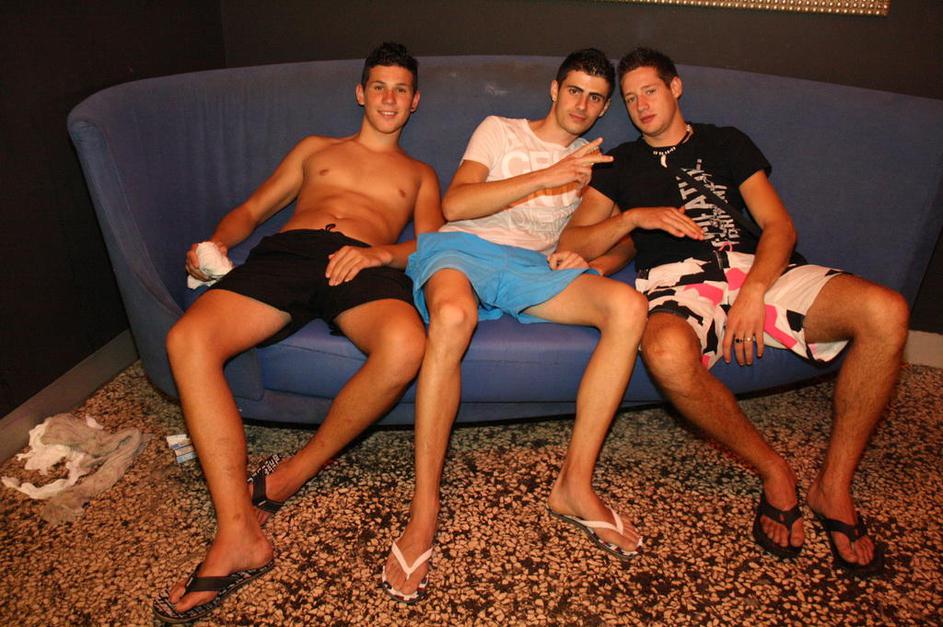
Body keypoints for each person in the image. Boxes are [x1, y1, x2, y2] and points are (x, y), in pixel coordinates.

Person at [558, 47, 908, 578]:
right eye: (630, 99)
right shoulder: (621, 163)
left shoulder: (726, 141)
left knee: (886, 311)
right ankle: (773, 469)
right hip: (679, 280)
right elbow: (573, 241)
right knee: (665, 350)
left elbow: (779, 227)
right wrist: (632, 217)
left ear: (675, 88)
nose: (641, 105)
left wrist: (754, 291)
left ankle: (833, 487)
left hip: (757, 269)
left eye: (650, 91)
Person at [153, 42, 443, 623]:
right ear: (361, 93)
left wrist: (381, 254)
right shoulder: (316, 149)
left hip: (363, 261)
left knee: (407, 345)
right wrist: (216, 243)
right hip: (289, 254)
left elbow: (433, 245)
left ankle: (296, 470)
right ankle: (238, 534)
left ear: (415, 102)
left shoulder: (419, 174)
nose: (389, 99)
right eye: (379, 86)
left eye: (401, 90)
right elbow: (253, 209)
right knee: (187, 339)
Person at [381, 49, 657, 605]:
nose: (582, 105)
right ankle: (424, 507)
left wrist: (596, 262)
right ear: (554, 90)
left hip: (532, 268)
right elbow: (456, 204)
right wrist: (549, 175)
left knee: (629, 307)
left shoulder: (596, 161)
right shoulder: (500, 129)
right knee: (452, 317)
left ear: (605, 108)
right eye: (574, 91)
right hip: (462, 248)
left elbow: (624, 239)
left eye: (596, 98)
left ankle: (574, 484)